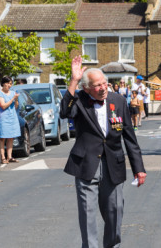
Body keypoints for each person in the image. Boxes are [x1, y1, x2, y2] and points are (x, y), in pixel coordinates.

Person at [60, 56, 146, 248]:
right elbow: (64, 112)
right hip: (86, 164)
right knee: (87, 214)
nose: (103, 88)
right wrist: (74, 80)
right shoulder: (79, 99)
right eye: (97, 85)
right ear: (87, 88)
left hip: (113, 164)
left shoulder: (119, 100)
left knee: (115, 212)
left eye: (104, 83)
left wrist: (138, 168)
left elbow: (129, 138)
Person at [0, 76, 20, 164]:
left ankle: (9, 156)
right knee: (3, 138)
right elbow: (3, 106)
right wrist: (13, 99)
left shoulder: (13, 93)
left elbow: (16, 106)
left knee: (11, 137)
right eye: (8, 83)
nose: (9, 85)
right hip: (4, 117)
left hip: (12, 117)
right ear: (3, 84)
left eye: (11, 83)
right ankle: (2, 157)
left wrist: (16, 99)